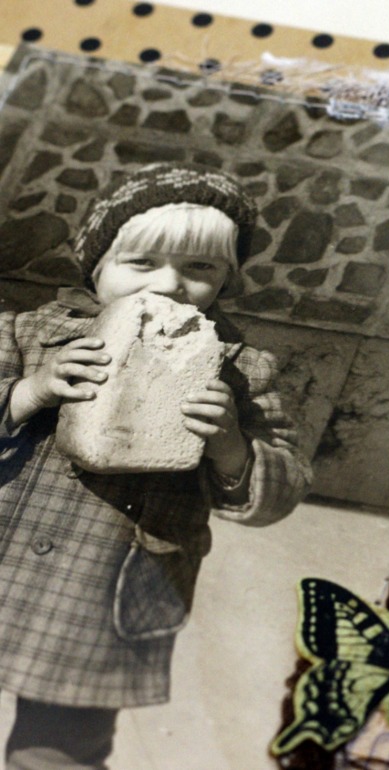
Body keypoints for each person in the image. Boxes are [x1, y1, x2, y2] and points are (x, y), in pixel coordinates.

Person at [0, 163, 312, 769]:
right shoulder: (24, 334)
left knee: (58, 752)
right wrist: (29, 392)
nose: (170, 284)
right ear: (96, 266)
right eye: (142, 262)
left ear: (226, 279)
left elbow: (284, 486)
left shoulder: (243, 371)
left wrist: (230, 445)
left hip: (100, 595)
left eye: (200, 268)